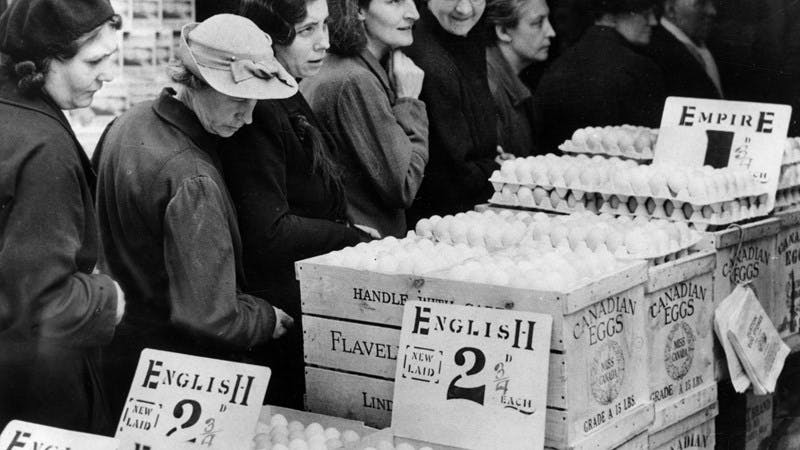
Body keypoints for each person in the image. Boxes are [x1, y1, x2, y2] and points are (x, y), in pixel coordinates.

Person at [93, 14, 295, 422]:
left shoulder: (127, 123)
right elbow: (211, 317)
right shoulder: (192, 176)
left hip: (117, 357)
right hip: (177, 376)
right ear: (195, 82)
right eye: (239, 100)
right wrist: (265, 318)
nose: (250, 116)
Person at [225, 0, 369, 408]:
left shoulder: (287, 90)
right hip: (283, 312)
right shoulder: (258, 110)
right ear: (268, 39)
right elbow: (269, 231)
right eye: (307, 31)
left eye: (324, 26)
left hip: (304, 297)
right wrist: (350, 236)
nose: (323, 42)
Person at [0, 0, 124, 433]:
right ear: (45, 60)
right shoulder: (44, 150)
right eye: (95, 61)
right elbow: (44, 303)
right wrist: (108, 299)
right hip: (37, 395)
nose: (108, 75)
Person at [301, 0, 429, 238]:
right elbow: (404, 185)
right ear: (358, 9)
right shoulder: (356, 80)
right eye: (394, 2)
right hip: (367, 247)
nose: (413, 14)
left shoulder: (339, 66)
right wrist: (409, 103)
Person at [404, 0, 501, 225]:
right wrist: (500, 169)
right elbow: (452, 174)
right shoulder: (428, 60)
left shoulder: (465, 37)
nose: (464, 9)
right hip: (440, 221)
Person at [534, 0, 665, 152]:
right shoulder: (640, 69)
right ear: (611, 17)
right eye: (644, 14)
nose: (653, 21)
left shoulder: (558, 65)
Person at [485, 0, 555, 157]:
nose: (551, 32)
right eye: (537, 23)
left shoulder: (501, 78)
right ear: (503, 31)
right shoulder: (490, 86)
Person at [645, 0, 723, 99]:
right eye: (701, 3)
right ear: (671, 10)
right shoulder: (653, 54)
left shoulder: (714, 46)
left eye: (713, 3)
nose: (712, 11)